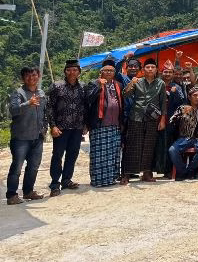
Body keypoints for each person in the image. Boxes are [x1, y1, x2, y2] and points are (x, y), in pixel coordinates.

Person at [121, 58, 167, 185]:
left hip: (152, 118)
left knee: (149, 146)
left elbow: (163, 103)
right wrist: (131, 83)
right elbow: (125, 95)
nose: (150, 69)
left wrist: (162, 120)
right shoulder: (137, 81)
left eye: (152, 67)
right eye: (148, 67)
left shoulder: (161, 84)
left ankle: (146, 173)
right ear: (143, 70)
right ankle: (126, 174)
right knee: (132, 146)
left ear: (156, 70)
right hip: (136, 117)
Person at [6, 66, 47, 204]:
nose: (31, 78)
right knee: (17, 167)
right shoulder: (18, 93)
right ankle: (11, 195)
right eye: (28, 75)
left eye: (34, 75)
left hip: (37, 136)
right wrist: (28, 103)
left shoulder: (41, 93)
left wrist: (44, 129)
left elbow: (44, 113)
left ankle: (28, 192)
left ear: (38, 76)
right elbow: (13, 110)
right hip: (20, 138)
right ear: (23, 78)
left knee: (34, 167)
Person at [46, 59, 87, 197]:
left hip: (77, 127)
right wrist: (52, 126)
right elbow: (49, 107)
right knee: (57, 155)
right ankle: (54, 183)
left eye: (75, 70)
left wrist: (85, 124)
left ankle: (66, 180)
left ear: (79, 72)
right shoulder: (56, 86)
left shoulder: (83, 87)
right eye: (69, 70)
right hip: (61, 127)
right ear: (65, 71)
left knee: (72, 154)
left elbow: (85, 107)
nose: (72, 72)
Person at [85, 59, 125, 188]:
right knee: (99, 154)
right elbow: (88, 99)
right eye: (106, 70)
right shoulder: (93, 83)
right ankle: (98, 180)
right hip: (99, 125)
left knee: (113, 153)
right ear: (101, 72)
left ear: (114, 72)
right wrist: (99, 86)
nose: (108, 72)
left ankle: (111, 178)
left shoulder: (118, 85)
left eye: (111, 70)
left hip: (115, 125)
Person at [168, 86, 198, 180]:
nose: (197, 97)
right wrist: (181, 115)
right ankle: (183, 171)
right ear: (189, 97)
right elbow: (171, 121)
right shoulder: (182, 107)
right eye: (194, 95)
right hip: (185, 138)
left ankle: (191, 170)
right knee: (172, 150)